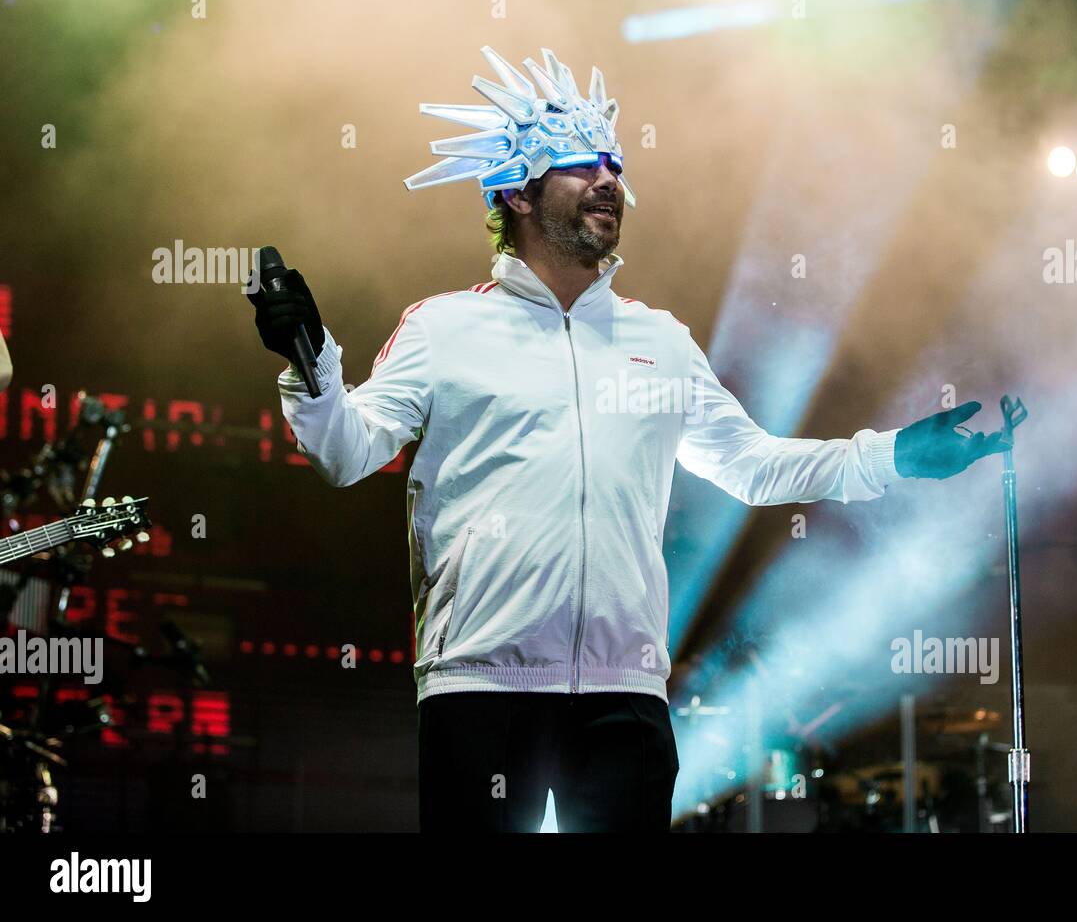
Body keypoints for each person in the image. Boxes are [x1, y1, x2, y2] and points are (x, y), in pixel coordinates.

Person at [247, 46, 1008, 832]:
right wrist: (312, 361)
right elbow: (346, 451)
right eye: (578, 162)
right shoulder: (445, 328)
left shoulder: (661, 340)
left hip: (624, 697)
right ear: (514, 190)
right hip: (482, 690)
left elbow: (750, 464)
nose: (607, 178)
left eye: (612, 161)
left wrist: (894, 456)